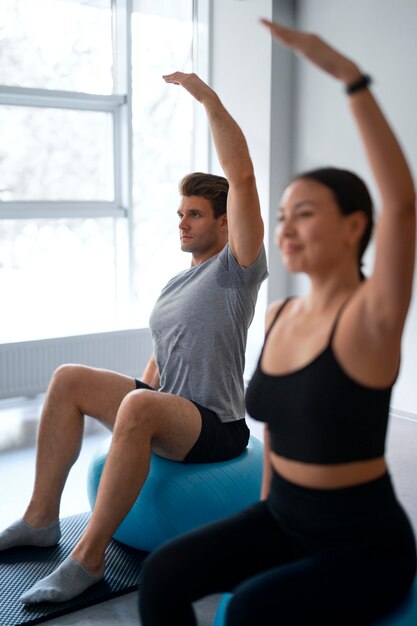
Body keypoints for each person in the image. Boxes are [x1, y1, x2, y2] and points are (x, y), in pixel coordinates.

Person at [138, 19, 417, 626]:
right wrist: (261, 518)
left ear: (353, 228)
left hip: (361, 541)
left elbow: (401, 202)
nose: (284, 227)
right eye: (283, 213)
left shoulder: (371, 319)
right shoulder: (284, 313)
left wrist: (351, 79)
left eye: (306, 213)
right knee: (161, 578)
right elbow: (281, 433)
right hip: (281, 516)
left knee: (250, 612)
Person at [0, 73, 267, 604]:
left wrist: (208, 99)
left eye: (194, 214)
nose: (182, 223)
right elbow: (162, 354)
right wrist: (138, 395)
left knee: (141, 411)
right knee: (68, 378)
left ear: (224, 222)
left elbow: (243, 176)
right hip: (171, 409)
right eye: (180, 214)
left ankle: (90, 559)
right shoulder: (178, 281)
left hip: (216, 425)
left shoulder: (237, 270)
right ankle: (40, 519)